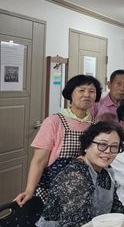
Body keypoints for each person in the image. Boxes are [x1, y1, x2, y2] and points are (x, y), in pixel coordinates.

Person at [35, 121, 124, 227]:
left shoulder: (104, 172)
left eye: (114, 147)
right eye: (102, 145)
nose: (108, 151)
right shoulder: (75, 176)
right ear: (87, 145)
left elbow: (116, 208)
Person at [15, 74, 102, 205]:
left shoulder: (97, 124)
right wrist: (29, 190)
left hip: (85, 187)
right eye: (81, 90)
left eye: (92, 91)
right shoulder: (54, 121)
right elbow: (39, 161)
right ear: (70, 93)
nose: (87, 95)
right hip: (54, 187)